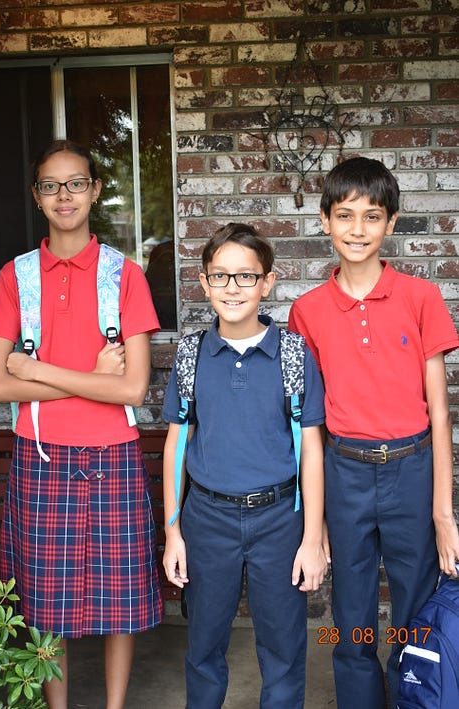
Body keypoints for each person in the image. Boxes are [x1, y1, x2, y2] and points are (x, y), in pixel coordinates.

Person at [0, 139, 163, 709]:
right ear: (37, 197)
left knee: (121, 597)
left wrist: (37, 371)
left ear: (96, 190)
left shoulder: (125, 275)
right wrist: (89, 376)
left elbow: (132, 387)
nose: (65, 196)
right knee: (44, 598)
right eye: (52, 185)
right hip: (41, 454)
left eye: (77, 183)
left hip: (113, 454)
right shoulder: (15, 278)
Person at [288, 156, 459, 709]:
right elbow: (307, 419)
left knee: (416, 610)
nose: (357, 229)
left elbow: (439, 410)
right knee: (351, 613)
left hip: (411, 468)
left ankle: (415, 696)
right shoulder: (307, 311)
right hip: (345, 471)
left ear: (390, 224)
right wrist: (314, 525)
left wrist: (442, 512)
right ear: (324, 221)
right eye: (345, 215)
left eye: (371, 216)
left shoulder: (420, 298)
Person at [162, 222, 328, 708]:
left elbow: (311, 448)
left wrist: (313, 538)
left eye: (246, 277)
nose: (232, 288)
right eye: (221, 276)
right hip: (207, 520)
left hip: (279, 519)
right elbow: (176, 447)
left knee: (283, 648)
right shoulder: (191, 356)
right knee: (205, 645)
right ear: (204, 281)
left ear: (268, 282)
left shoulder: (293, 354)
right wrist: (174, 531)